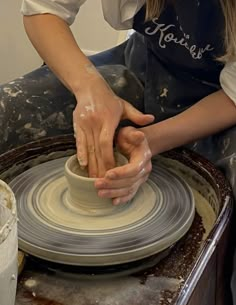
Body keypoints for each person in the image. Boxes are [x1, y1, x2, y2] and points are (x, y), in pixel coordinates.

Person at [17, 0, 236, 301]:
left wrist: (153, 140)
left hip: (223, 100)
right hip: (148, 62)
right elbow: (43, 8)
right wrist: (90, 89)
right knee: (11, 113)